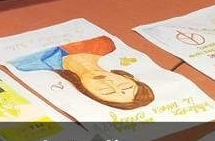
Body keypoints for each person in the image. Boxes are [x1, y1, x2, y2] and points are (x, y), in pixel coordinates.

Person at [9, 35, 154, 110]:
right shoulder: (105, 44)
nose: (109, 83)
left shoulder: (28, 65)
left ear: (86, 91)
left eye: (106, 91)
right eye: (124, 86)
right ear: (127, 76)